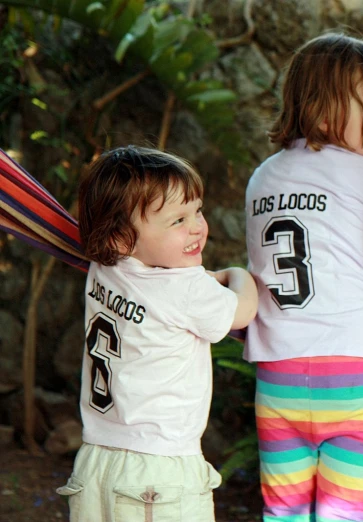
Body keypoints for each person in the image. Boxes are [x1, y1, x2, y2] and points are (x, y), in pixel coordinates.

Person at [243, 33, 363, 521]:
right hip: (352, 368)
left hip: (279, 370)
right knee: (345, 507)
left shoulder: (262, 176)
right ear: (320, 112)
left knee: (283, 508)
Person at [56, 146, 258, 521]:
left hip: (95, 461)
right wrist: (237, 275)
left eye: (197, 210)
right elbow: (243, 311)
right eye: (177, 220)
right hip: (160, 471)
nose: (197, 226)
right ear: (120, 238)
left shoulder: (103, 269)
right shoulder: (187, 288)